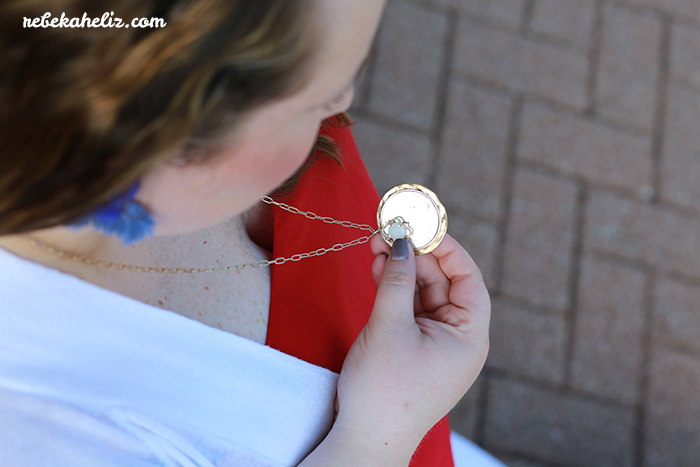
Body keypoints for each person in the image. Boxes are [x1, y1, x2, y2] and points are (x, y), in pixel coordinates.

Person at [0, 0, 491, 466]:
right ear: (174, 142)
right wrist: (380, 438)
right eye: (323, 96)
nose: (345, 103)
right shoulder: (58, 435)